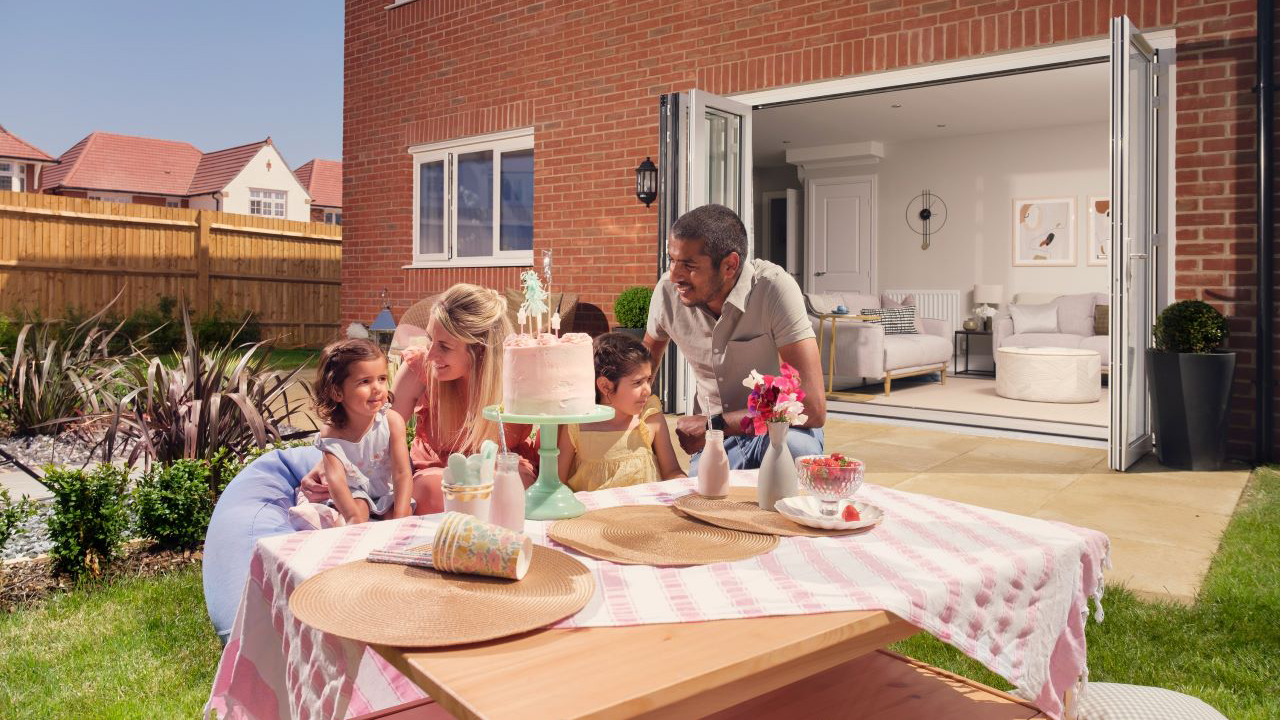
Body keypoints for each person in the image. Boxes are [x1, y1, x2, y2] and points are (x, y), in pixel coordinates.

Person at [300, 284, 537, 513]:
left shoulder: (518, 375)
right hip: (436, 474)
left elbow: (554, 435)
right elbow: (376, 429)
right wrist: (330, 462)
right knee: (434, 492)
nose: (431, 353)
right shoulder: (420, 368)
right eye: (430, 339)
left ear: (480, 349)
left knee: (512, 487)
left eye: (444, 346)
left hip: (499, 469)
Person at [643, 204, 826, 473]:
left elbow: (812, 406)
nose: (675, 276)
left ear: (730, 265)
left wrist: (717, 423)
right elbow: (640, 370)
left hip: (779, 431)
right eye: (672, 261)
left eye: (689, 265)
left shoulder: (774, 289)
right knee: (705, 505)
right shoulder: (667, 293)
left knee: (796, 455)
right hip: (715, 441)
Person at [303, 338, 412, 524]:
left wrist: (400, 519)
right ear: (337, 392)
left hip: (387, 491)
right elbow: (336, 480)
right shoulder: (332, 432)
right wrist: (352, 517)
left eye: (382, 379)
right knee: (358, 512)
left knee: (400, 511)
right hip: (354, 491)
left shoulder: (392, 421)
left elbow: (402, 472)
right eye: (365, 381)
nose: (377, 388)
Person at [556, 333, 685, 490]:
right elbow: (557, 483)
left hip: (643, 512)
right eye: (637, 382)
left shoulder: (650, 417)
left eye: (648, 380)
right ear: (605, 386)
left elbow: (671, 471)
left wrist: (683, 484)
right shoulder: (576, 425)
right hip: (595, 513)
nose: (647, 390)